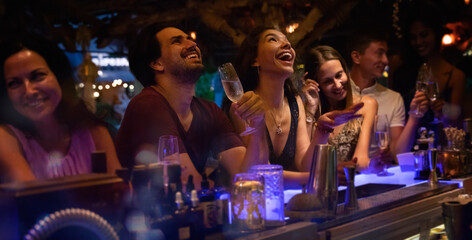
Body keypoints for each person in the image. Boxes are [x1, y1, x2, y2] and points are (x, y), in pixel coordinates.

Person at [116, 24, 266, 188]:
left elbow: (248, 177)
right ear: (157, 63)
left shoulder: (209, 111)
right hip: (141, 212)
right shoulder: (147, 105)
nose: (192, 44)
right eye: (177, 42)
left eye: (189, 39)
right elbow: (187, 183)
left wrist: (258, 127)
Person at [225, 26, 364, 187]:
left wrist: (322, 129)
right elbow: (260, 173)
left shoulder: (295, 103)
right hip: (253, 204)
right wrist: (321, 175)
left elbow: (304, 164)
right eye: (273, 39)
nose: (287, 45)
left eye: (287, 41)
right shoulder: (245, 106)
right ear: (255, 59)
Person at [0, 36, 121, 183]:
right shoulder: (6, 138)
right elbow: (31, 200)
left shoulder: (93, 131)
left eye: (38, 76)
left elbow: (120, 191)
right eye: (14, 83)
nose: (29, 91)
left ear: (59, 77)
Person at [347, 29, 429, 164]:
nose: (386, 60)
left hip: (375, 177)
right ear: (357, 57)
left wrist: (414, 117)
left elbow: (398, 155)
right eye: (379, 54)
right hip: (338, 176)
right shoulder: (338, 92)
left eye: (386, 54)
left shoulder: (393, 98)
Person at [391, 1, 466, 128]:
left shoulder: (455, 75)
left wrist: (444, 109)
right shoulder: (398, 64)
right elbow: (390, 107)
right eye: (413, 37)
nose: (418, 42)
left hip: (436, 143)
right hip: (402, 142)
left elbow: (458, 118)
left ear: (436, 33)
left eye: (424, 35)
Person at [304, 45, 377, 172]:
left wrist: (377, 164)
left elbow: (360, 160)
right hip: (318, 186)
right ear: (316, 83)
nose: (337, 85)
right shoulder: (307, 111)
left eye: (339, 75)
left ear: (346, 71)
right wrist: (310, 109)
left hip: (350, 183)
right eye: (328, 81)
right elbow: (304, 165)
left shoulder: (366, 104)